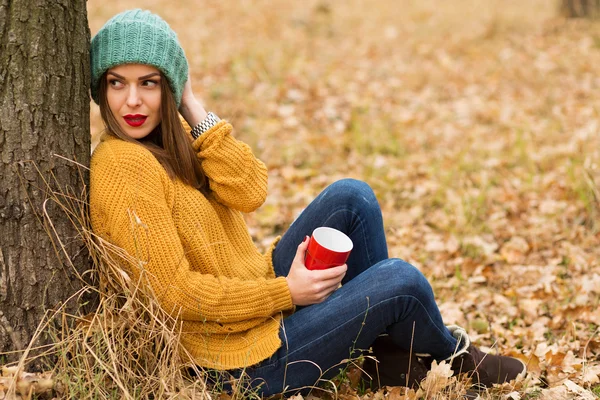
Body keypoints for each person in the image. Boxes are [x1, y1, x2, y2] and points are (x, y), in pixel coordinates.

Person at [89, 9, 526, 396]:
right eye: (117, 83)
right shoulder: (123, 164)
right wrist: (286, 292)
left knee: (352, 197)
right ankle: (455, 356)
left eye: (149, 83)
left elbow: (249, 192)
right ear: (100, 89)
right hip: (236, 362)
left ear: (169, 86)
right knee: (401, 281)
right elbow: (173, 294)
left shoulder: (172, 138)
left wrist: (190, 105)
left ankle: (390, 358)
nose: (132, 101)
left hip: (253, 309)